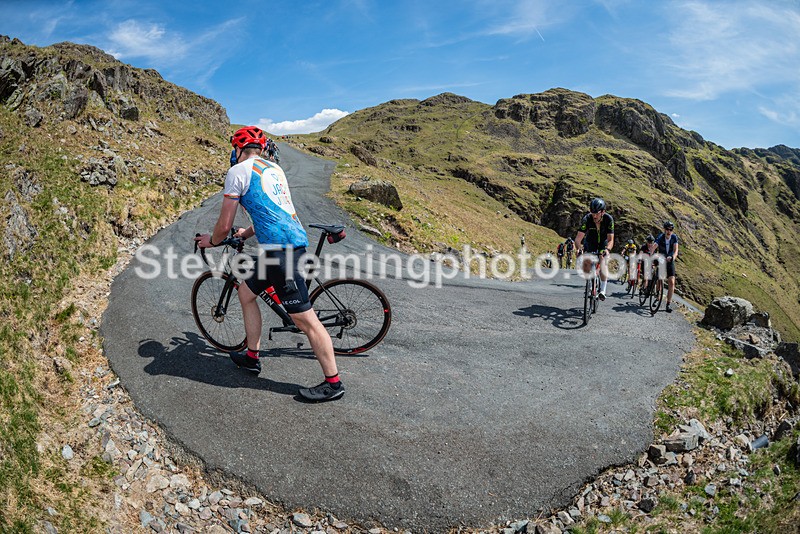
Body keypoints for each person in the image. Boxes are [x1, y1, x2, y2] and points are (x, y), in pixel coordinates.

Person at [194, 126, 344, 402]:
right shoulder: (274, 169)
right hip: (282, 246)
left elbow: (223, 224)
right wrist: (247, 233)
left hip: (281, 252)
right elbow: (273, 212)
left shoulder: (237, 172)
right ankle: (252, 356)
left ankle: (333, 383)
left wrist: (211, 241)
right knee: (246, 292)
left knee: (304, 320)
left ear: (237, 150)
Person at [574, 198, 615, 300]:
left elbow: (611, 239)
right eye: (592, 213)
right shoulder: (587, 219)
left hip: (603, 243)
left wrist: (607, 250)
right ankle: (590, 284)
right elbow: (578, 239)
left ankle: (602, 290)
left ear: (603, 212)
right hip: (590, 242)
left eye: (597, 213)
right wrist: (579, 249)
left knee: (603, 261)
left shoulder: (608, 219)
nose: (594, 216)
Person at [654, 221, 680, 313]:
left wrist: (673, 257)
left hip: (670, 260)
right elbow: (654, 246)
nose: (669, 231)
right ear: (664, 230)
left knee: (672, 282)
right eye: (667, 229)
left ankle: (668, 304)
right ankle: (657, 295)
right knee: (660, 280)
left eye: (671, 230)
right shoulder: (661, 237)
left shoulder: (674, 237)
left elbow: (676, 250)